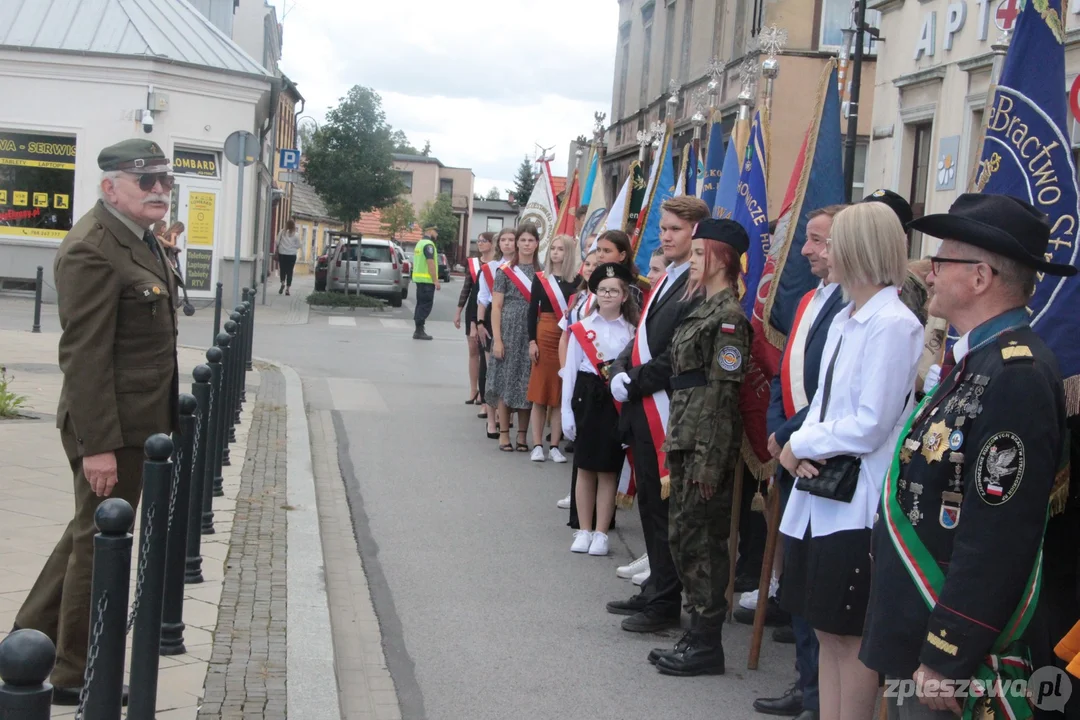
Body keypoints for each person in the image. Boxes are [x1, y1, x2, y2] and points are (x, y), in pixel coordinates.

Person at [860, 194, 1073, 720]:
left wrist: (947, 654)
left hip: (951, 650)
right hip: (916, 626)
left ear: (979, 277)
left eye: (941, 260)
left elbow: (997, 536)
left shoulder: (1016, 374)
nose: (928, 273)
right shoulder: (976, 359)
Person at [14, 139, 179, 704]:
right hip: (112, 426)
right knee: (99, 544)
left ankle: (26, 639)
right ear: (111, 187)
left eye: (165, 180)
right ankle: (73, 674)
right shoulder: (92, 248)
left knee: (87, 531)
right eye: (146, 182)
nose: (160, 190)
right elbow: (83, 356)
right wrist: (99, 447)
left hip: (137, 420)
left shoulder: (138, 238)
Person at [777, 202, 922, 720]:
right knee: (824, 629)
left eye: (832, 242)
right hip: (821, 495)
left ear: (860, 249)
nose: (820, 253)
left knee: (851, 636)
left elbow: (871, 422)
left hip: (859, 501)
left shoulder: (893, 324)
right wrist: (798, 449)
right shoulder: (845, 316)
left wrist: (804, 445)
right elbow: (822, 404)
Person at [753, 205, 848, 720]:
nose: (807, 250)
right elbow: (783, 372)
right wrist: (775, 429)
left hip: (819, 459)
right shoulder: (810, 300)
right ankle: (806, 685)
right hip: (792, 452)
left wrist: (790, 436)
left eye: (818, 240)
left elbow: (834, 393)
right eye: (808, 239)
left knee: (817, 588)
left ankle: (818, 699)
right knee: (800, 584)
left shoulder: (855, 307)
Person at [648, 218, 751, 676]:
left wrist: (710, 462)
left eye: (696, 254)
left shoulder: (728, 318)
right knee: (684, 537)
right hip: (686, 439)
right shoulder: (703, 308)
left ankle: (708, 643)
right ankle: (696, 632)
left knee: (703, 544)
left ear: (720, 258)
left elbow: (723, 396)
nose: (690, 262)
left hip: (704, 446)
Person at [605, 195, 710, 634]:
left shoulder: (697, 287)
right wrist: (618, 367)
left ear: (696, 234)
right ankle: (654, 589)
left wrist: (636, 380)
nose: (665, 236)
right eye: (663, 228)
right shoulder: (668, 276)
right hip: (643, 406)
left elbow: (676, 355)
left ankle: (667, 601)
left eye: (675, 230)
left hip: (667, 409)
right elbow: (643, 336)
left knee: (666, 511)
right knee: (649, 502)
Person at [561, 262, 638, 556]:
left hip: (614, 402)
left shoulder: (632, 330)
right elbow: (569, 372)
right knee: (584, 467)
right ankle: (583, 529)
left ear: (624, 296)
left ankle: (601, 532)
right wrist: (567, 411)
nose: (607, 295)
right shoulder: (582, 328)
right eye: (602, 290)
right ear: (595, 293)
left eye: (613, 291)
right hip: (586, 396)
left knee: (607, 470)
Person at [527, 234, 580, 463]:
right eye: (553, 249)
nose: (555, 253)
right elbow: (532, 311)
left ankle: (555, 445)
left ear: (568, 253)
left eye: (560, 249)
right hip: (545, 331)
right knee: (540, 393)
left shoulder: (577, 280)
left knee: (561, 394)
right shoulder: (541, 278)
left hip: (566, 336)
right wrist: (532, 341)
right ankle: (537, 444)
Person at [489, 224, 542, 451]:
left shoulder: (543, 272)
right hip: (508, 329)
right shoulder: (505, 271)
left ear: (537, 244)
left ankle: (522, 435)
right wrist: (497, 339)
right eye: (523, 240)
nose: (527, 244)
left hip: (533, 331)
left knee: (527, 382)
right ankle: (503, 433)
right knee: (506, 380)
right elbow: (496, 306)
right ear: (517, 243)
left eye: (531, 240)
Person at [479, 228, 517, 438]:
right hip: (496, 323)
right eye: (503, 240)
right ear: (498, 244)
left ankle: (508, 416)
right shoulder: (491, 268)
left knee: (513, 374)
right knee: (494, 372)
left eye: (512, 239)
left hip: (518, 325)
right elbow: (484, 298)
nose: (508, 243)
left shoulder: (525, 268)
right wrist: (479, 323)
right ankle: (492, 420)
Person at [456, 232, 495, 405]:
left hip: (488, 308)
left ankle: (484, 391)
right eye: (478, 241)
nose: (480, 243)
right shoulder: (472, 263)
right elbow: (466, 288)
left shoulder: (498, 264)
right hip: (473, 307)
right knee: (473, 349)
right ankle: (473, 389)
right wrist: (458, 311)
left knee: (485, 350)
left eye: (484, 241)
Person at [594, 229, 645, 309]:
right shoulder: (593, 282)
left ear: (622, 255)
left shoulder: (631, 289)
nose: (600, 255)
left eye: (607, 251)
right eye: (598, 250)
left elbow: (630, 319)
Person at [412, 227, 441, 340]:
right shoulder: (429, 245)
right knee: (425, 306)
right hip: (427, 281)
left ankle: (418, 329)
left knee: (420, 305)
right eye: (436, 232)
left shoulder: (419, 243)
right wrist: (435, 280)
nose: (437, 235)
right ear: (430, 231)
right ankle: (419, 330)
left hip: (419, 280)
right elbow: (430, 263)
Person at [276, 219, 301, 295]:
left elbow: (277, 242)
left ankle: (283, 282)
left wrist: (281, 247)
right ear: (294, 226)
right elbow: (298, 245)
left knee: (282, 269)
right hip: (292, 255)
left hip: (282, 254)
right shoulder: (296, 235)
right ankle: (287, 289)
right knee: (290, 271)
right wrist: (292, 247)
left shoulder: (282, 232)